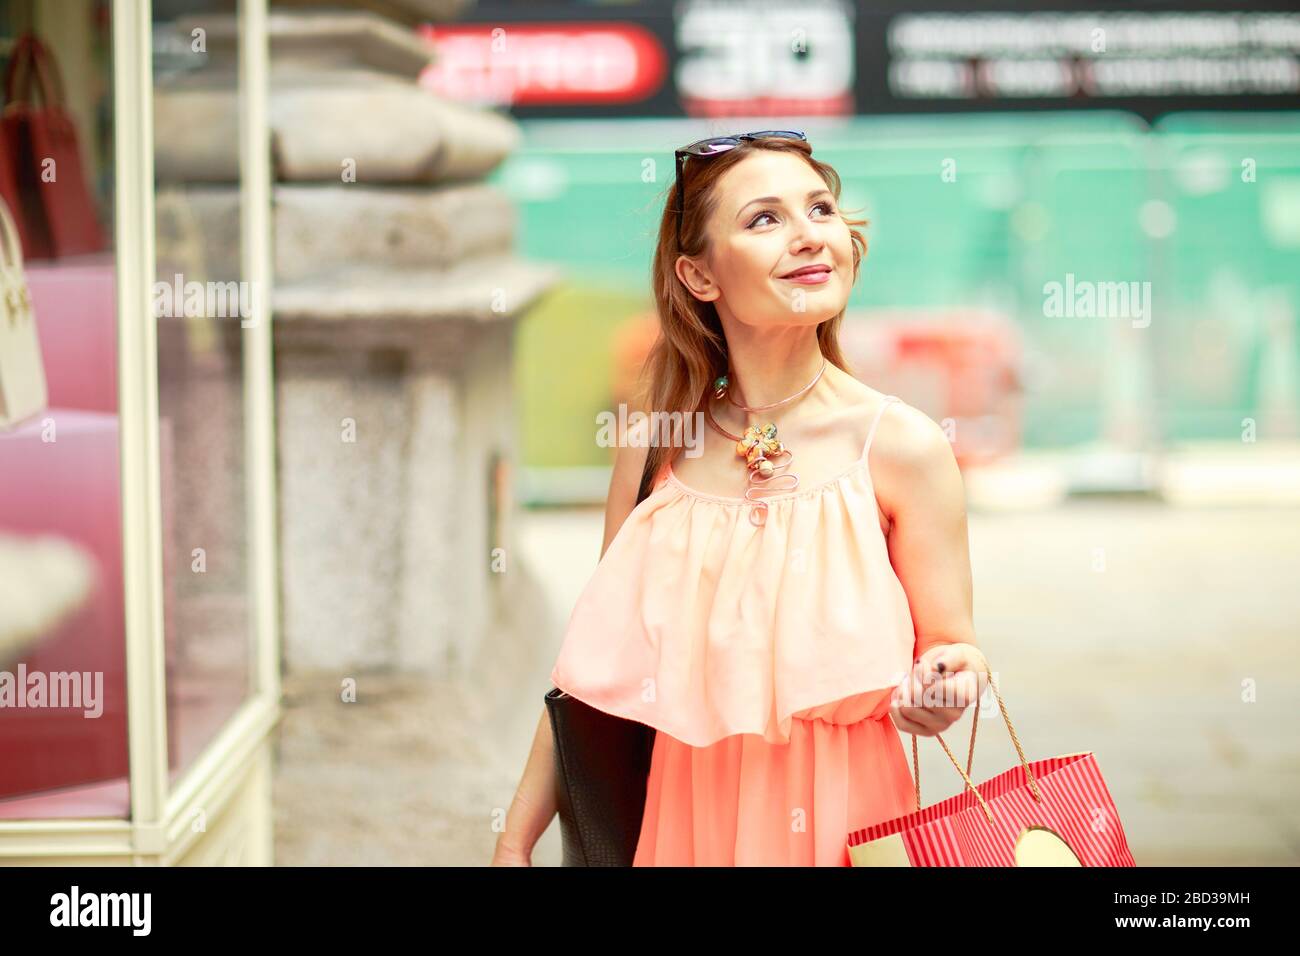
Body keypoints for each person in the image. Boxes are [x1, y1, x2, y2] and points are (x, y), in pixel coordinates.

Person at [492, 131, 987, 867]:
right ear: (699, 276)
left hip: (848, 821)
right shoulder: (657, 444)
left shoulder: (902, 446)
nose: (810, 236)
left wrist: (944, 685)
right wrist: (512, 841)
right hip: (684, 817)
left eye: (820, 209)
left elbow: (953, 645)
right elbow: (597, 675)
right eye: (765, 220)